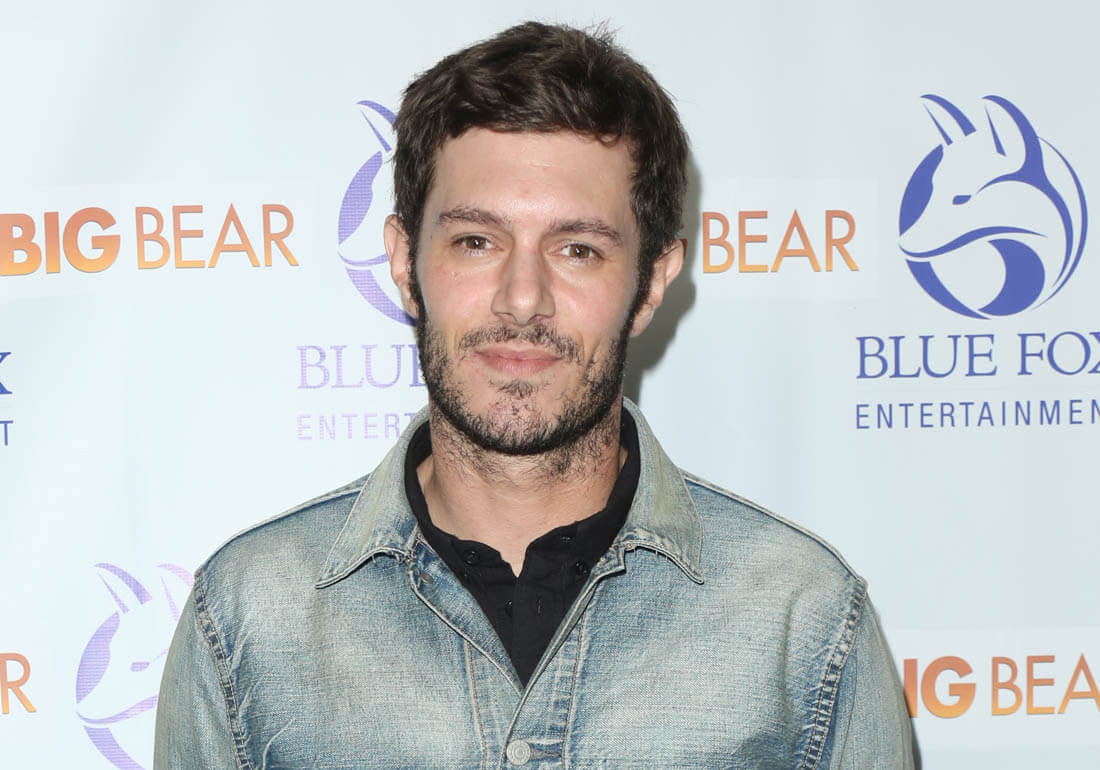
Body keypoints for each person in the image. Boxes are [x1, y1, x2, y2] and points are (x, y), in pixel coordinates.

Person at [155, 21, 915, 769]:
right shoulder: (247, 620)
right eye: (476, 241)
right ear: (404, 262)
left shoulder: (803, 622)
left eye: (577, 249)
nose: (523, 299)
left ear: (652, 281)